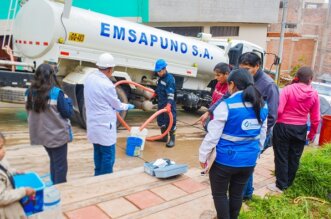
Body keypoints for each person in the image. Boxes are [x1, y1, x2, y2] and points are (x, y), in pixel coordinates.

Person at [199, 68, 268, 219]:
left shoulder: (227, 105)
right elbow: (262, 136)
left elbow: (212, 137)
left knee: (220, 195)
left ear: (232, 84)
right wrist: (256, 155)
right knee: (237, 194)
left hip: (224, 161)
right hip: (248, 162)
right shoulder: (262, 105)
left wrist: (203, 156)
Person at [268, 67, 320, 193]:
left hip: (283, 127)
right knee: (294, 156)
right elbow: (316, 119)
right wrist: (312, 134)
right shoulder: (314, 93)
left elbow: (279, 110)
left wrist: (279, 121)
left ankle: (280, 185)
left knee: (281, 155)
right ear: (310, 79)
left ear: (297, 77)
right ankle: (288, 183)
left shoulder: (288, 89)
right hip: (300, 128)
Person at [84, 53, 135, 176]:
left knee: (97, 152)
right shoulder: (107, 85)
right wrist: (126, 106)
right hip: (105, 127)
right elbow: (116, 105)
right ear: (110, 69)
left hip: (93, 124)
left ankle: (97, 175)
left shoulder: (89, 78)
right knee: (108, 156)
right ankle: (105, 179)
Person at [238, 52, 279, 200]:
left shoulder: (268, 85)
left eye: (247, 68)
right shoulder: (243, 79)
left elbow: (272, 116)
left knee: (247, 163)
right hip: (243, 130)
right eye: (241, 68)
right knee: (244, 163)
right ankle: (246, 192)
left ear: (257, 66)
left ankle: (245, 194)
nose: (244, 71)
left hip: (258, 133)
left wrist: (258, 133)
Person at [25, 64, 73, 184]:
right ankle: (60, 190)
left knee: (54, 160)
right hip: (57, 136)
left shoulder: (28, 92)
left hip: (41, 135)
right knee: (60, 166)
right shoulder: (57, 93)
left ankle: (54, 184)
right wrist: (68, 100)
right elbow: (67, 113)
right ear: (52, 76)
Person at [0, 132, 36, 219]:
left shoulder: (1, 161)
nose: (4, 150)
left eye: (2, 146)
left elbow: (5, 171)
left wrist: (15, 171)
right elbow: (1, 198)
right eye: (0, 148)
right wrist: (24, 191)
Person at [154, 59, 177, 148]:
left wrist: (169, 105)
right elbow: (159, 88)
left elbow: (171, 94)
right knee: (161, 121)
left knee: (171, 122)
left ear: (164, 69)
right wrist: (155, 93)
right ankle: (163, 137)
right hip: (161, 104)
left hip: (169, 105)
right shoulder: (160, 78)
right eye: (157, 71)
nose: (158, 73)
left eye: (160, 71)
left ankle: (172, 140)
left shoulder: (170, 79)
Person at [200, 63, 230, 129]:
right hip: (213, 116)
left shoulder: (230, 88)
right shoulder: (218, 83)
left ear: (227, 74)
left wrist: (208, 112)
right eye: (215, 75)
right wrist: (209, 113)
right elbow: (214, 101)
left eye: (218, 75)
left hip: (220, 120)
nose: (216, 77)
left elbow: (221, 100)